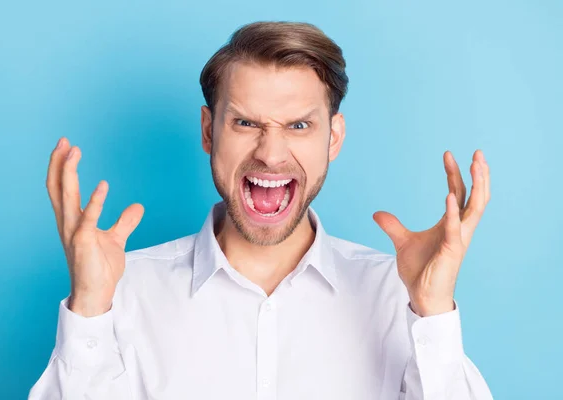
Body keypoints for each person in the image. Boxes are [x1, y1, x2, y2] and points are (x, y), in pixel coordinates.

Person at [29, 21, 493, 399]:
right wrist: (88, 310)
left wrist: (433, 314)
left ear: (333, 138)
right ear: (209, 131)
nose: (271, 154)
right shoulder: (122, 294)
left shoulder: (401, 298)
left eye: (298, 125)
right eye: (246, 122)